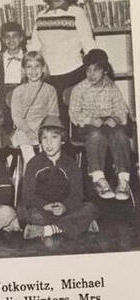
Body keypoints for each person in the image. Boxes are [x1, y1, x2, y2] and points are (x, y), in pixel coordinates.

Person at [19, 116, 99, 240]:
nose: (48, 142)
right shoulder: (34, 164)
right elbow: (27, 195)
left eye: (54, 137)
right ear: (40, 140)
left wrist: (65, 206)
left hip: (64, 209)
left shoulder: (70, 164)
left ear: (62, 140)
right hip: (42, 210)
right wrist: (44, 205)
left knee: (90, 208)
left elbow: (77, 195)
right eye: (44, 138)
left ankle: (49, 229)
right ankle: (77, 225)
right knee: (24, 211)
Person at [69, 49, 131, 200]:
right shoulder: (79, 89)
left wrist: (115, 119)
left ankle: (123, 179)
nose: (91, 75)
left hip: (109, 122)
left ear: (105, 70)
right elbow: (74, 113)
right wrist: (90, 119)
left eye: (96, 70)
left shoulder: (112, 87)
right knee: (96, 135)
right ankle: (99, 178)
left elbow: (121, 110)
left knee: (120, 134)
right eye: (88, 71)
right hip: (87, 125)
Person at [28, 0, 96, 126]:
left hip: (73, 74)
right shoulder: (41, 15)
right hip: (47, 76)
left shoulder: (77, 12)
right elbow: (34, 48)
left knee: (73, 121)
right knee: (51, 121)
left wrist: (96, 68)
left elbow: (88, 44)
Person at [11, 51, 59, 168]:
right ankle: (32, 173)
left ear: (43, 68)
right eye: (29, 67)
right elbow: (17, 116)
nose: (33, 71)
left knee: (49, 150)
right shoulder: (19, 91)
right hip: (24, 127)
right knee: (28, 153)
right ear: (24, 70)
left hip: (44, 127)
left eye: (37, 66)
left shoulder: (50, 90)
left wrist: (44, 130)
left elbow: (53, 114)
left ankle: (47, 174)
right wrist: (28, 131)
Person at [0, 22, 26, 139]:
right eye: (7, 37)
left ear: (21, 38)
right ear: (3, 40)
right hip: (3, 102)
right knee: (5, 130)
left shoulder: (28, 56)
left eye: (14, 36)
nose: (11, 40)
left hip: (24, 99)